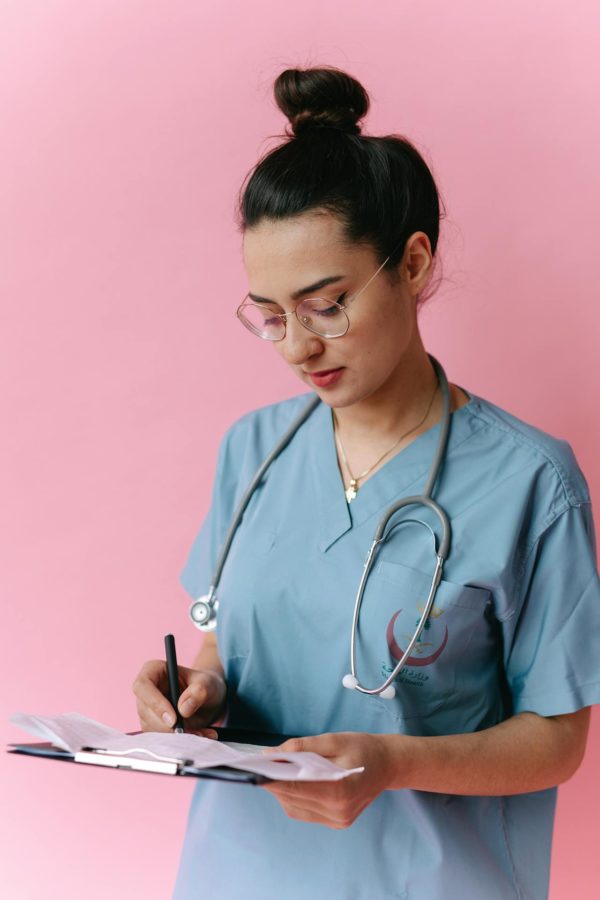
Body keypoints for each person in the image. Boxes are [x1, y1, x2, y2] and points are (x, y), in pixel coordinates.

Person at [132, 66, 600, 900]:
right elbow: (231, 644)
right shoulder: (255, 450)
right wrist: (196, 692)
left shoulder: (531, 481)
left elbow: (559, 738)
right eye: (270, 316)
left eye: (326, 304)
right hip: (238, 874)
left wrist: (391, 761)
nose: (297, 348)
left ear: (413, 264)